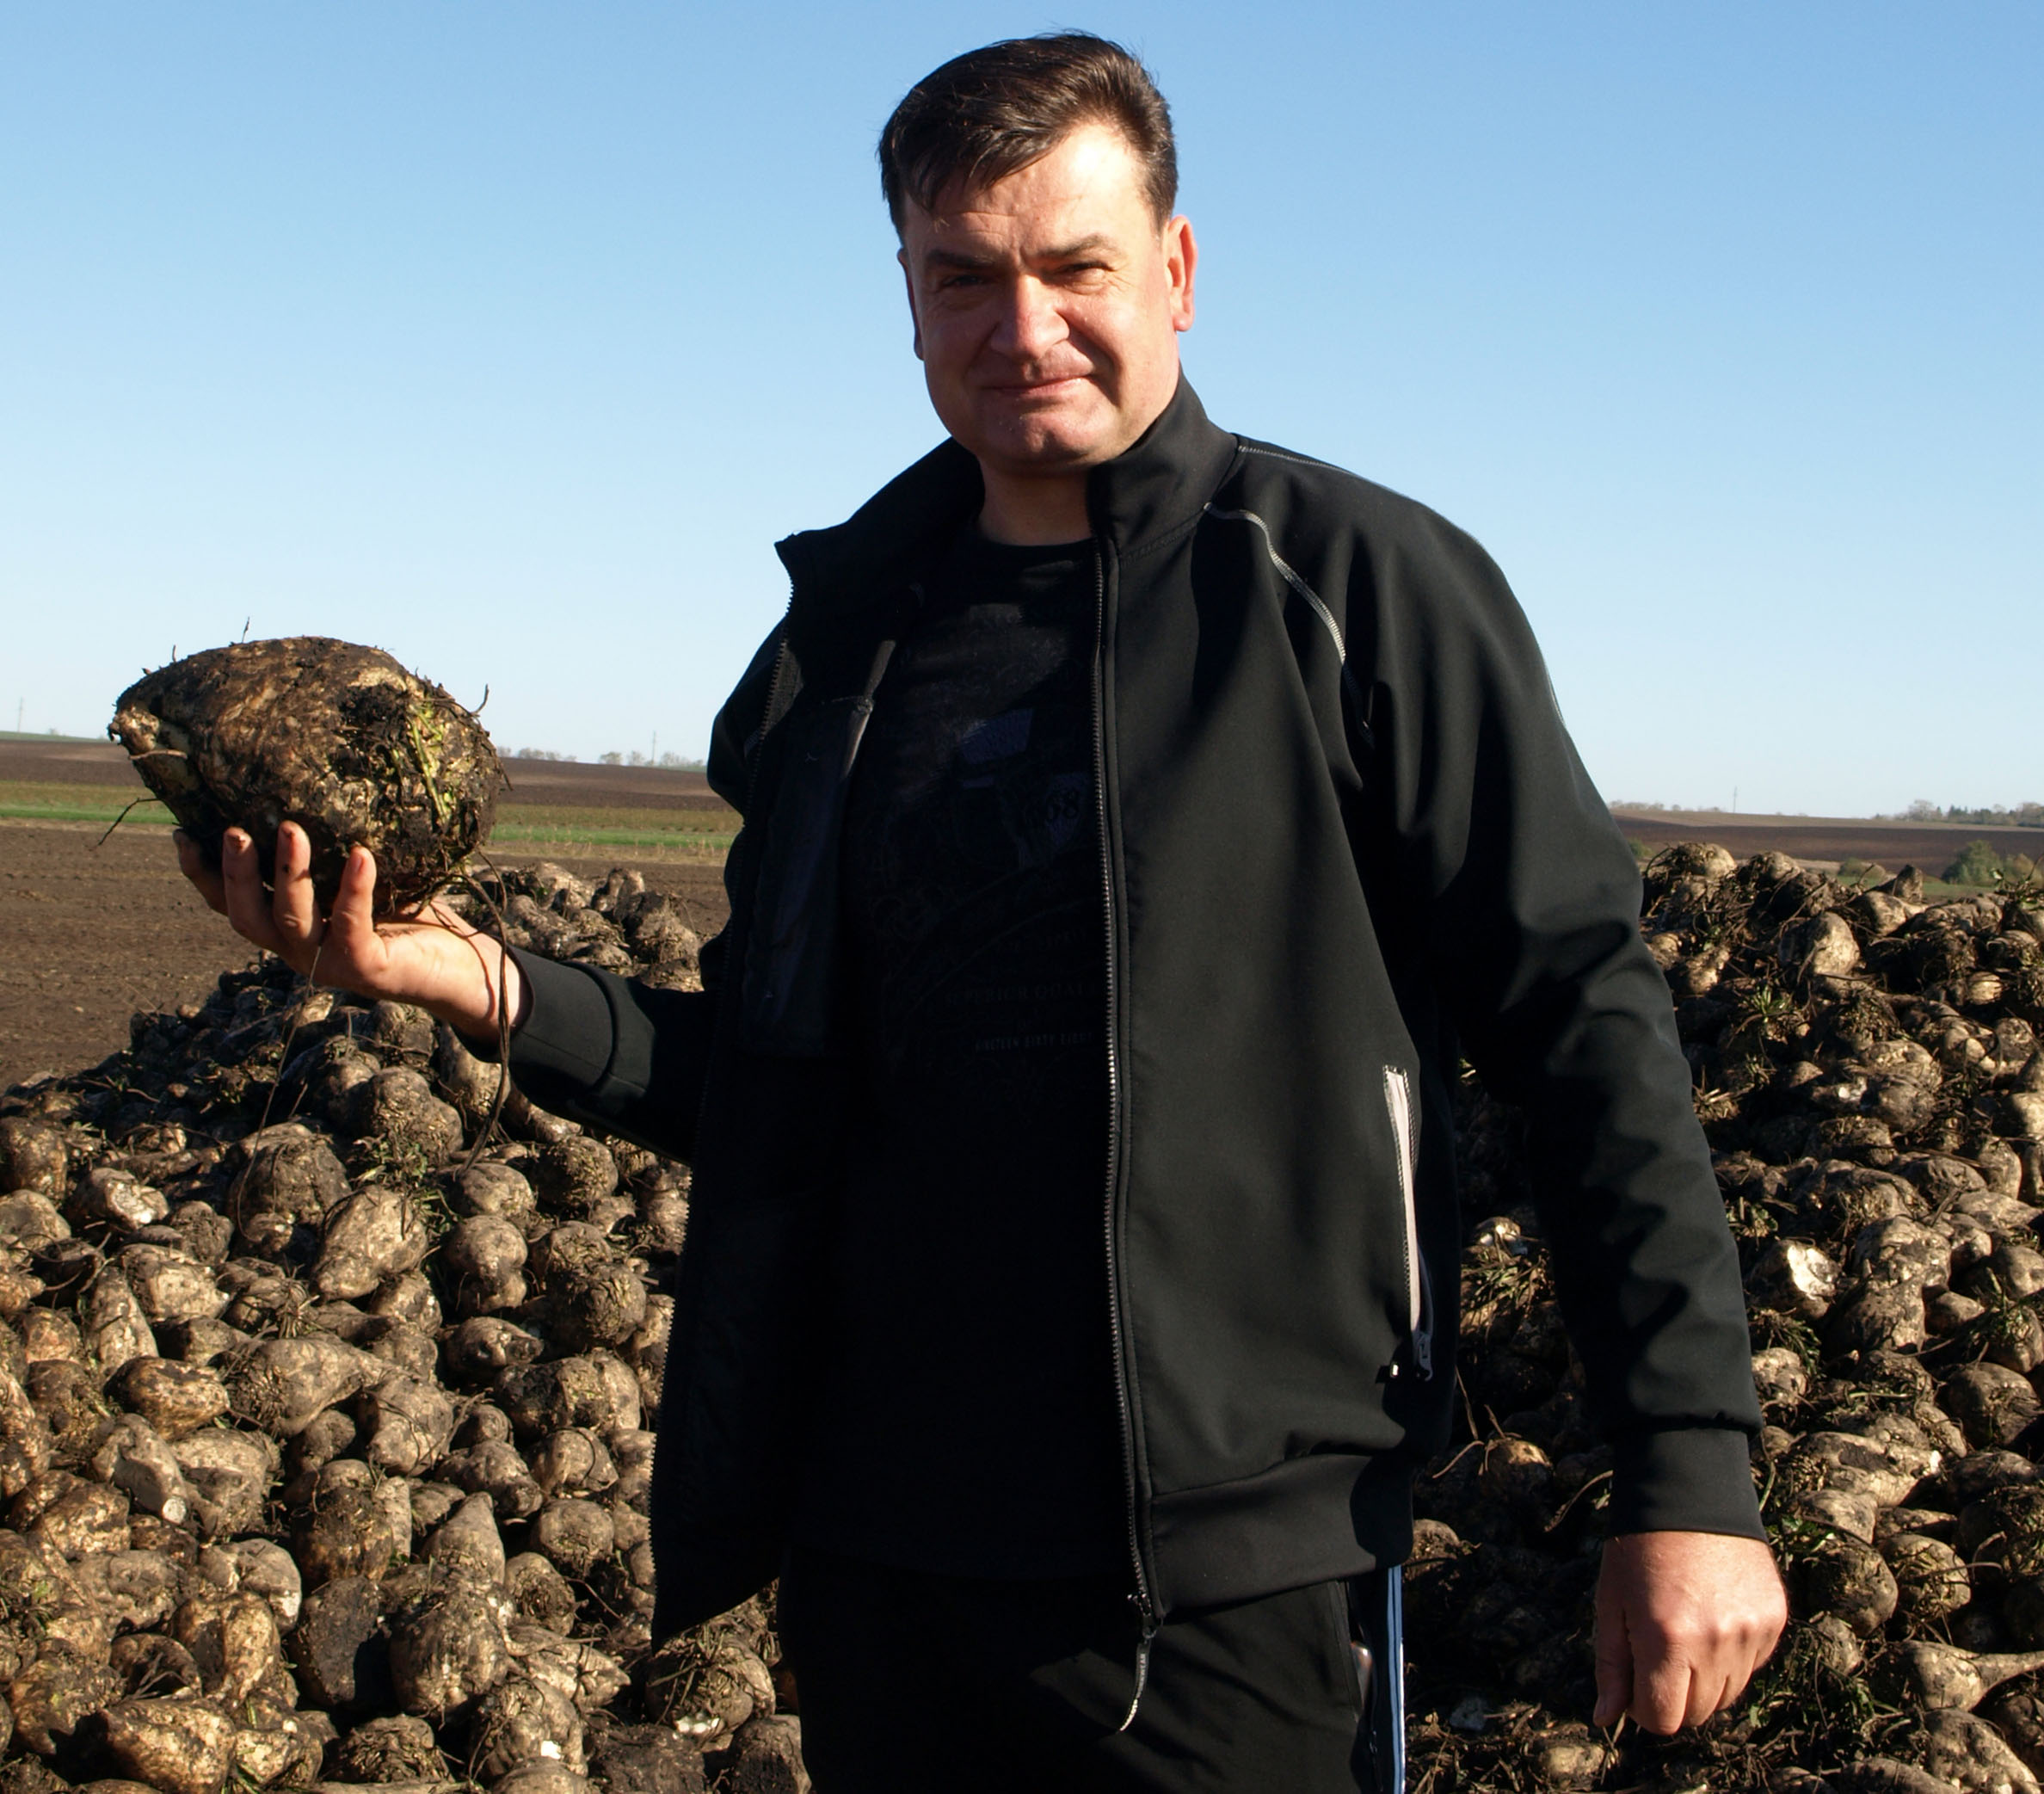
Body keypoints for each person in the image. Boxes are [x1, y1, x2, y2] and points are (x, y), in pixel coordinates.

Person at [177, 33, 1786, 1791]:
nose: (1024, 327)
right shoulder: (843, 648)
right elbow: (773, 1085)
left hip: (1234, 1576)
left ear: (1176, 269)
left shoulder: (1349, 589)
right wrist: (462, 975)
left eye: (1075, 267)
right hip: (883, 1560)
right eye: (965, 276)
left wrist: (1692, 1472)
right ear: (909, 296)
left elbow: (1585, 1028)